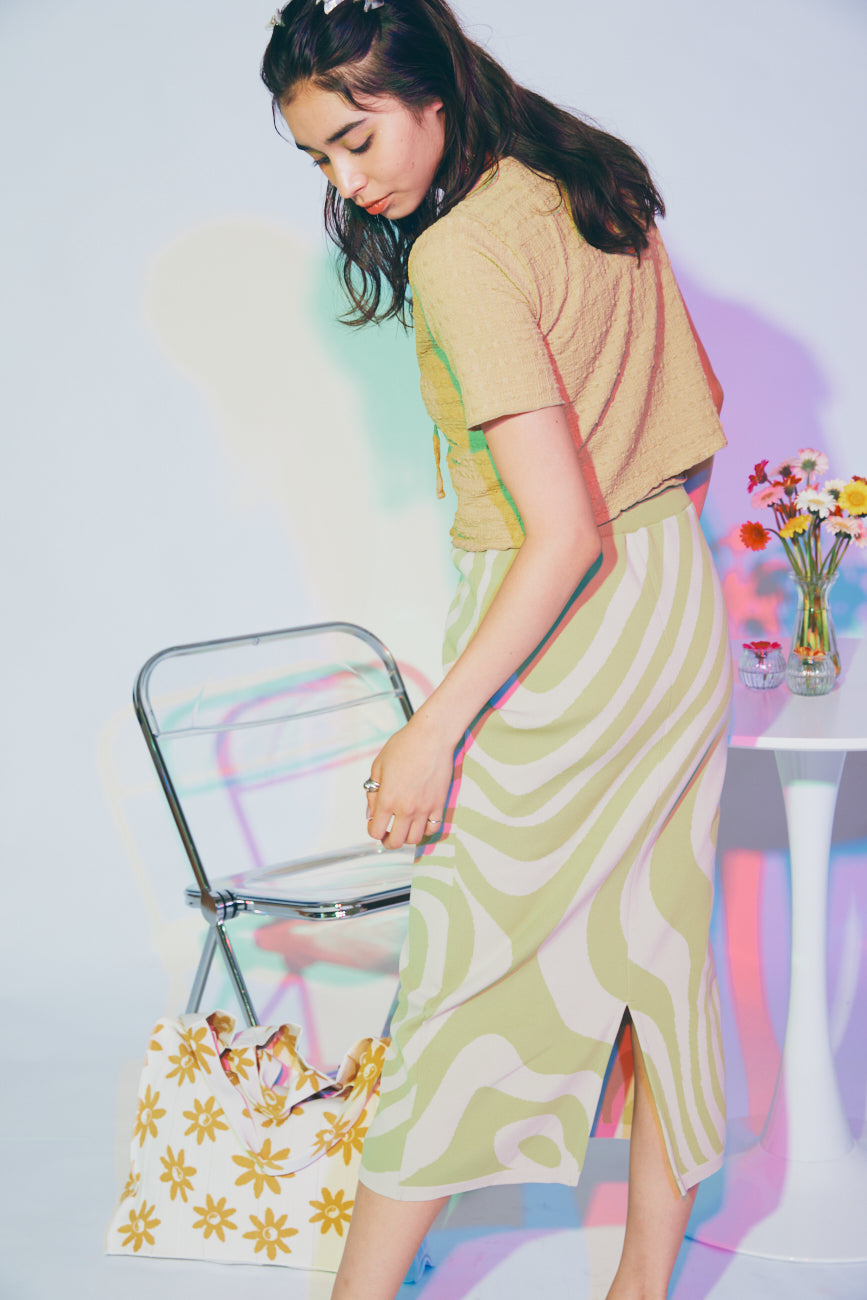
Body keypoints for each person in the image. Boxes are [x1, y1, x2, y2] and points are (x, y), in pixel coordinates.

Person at [262, 2, 732, 1296]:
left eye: (357, 140)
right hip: (671, 607)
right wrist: (648, 571)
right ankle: (641, 1288)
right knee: (660, 956)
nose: (346, 181)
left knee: (458, 985)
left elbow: (562, 530)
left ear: (431, 92)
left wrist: (433, 730)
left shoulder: (461, 251)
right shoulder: (588, 177)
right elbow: (696, 424)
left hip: (559, 632)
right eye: (319, 158)